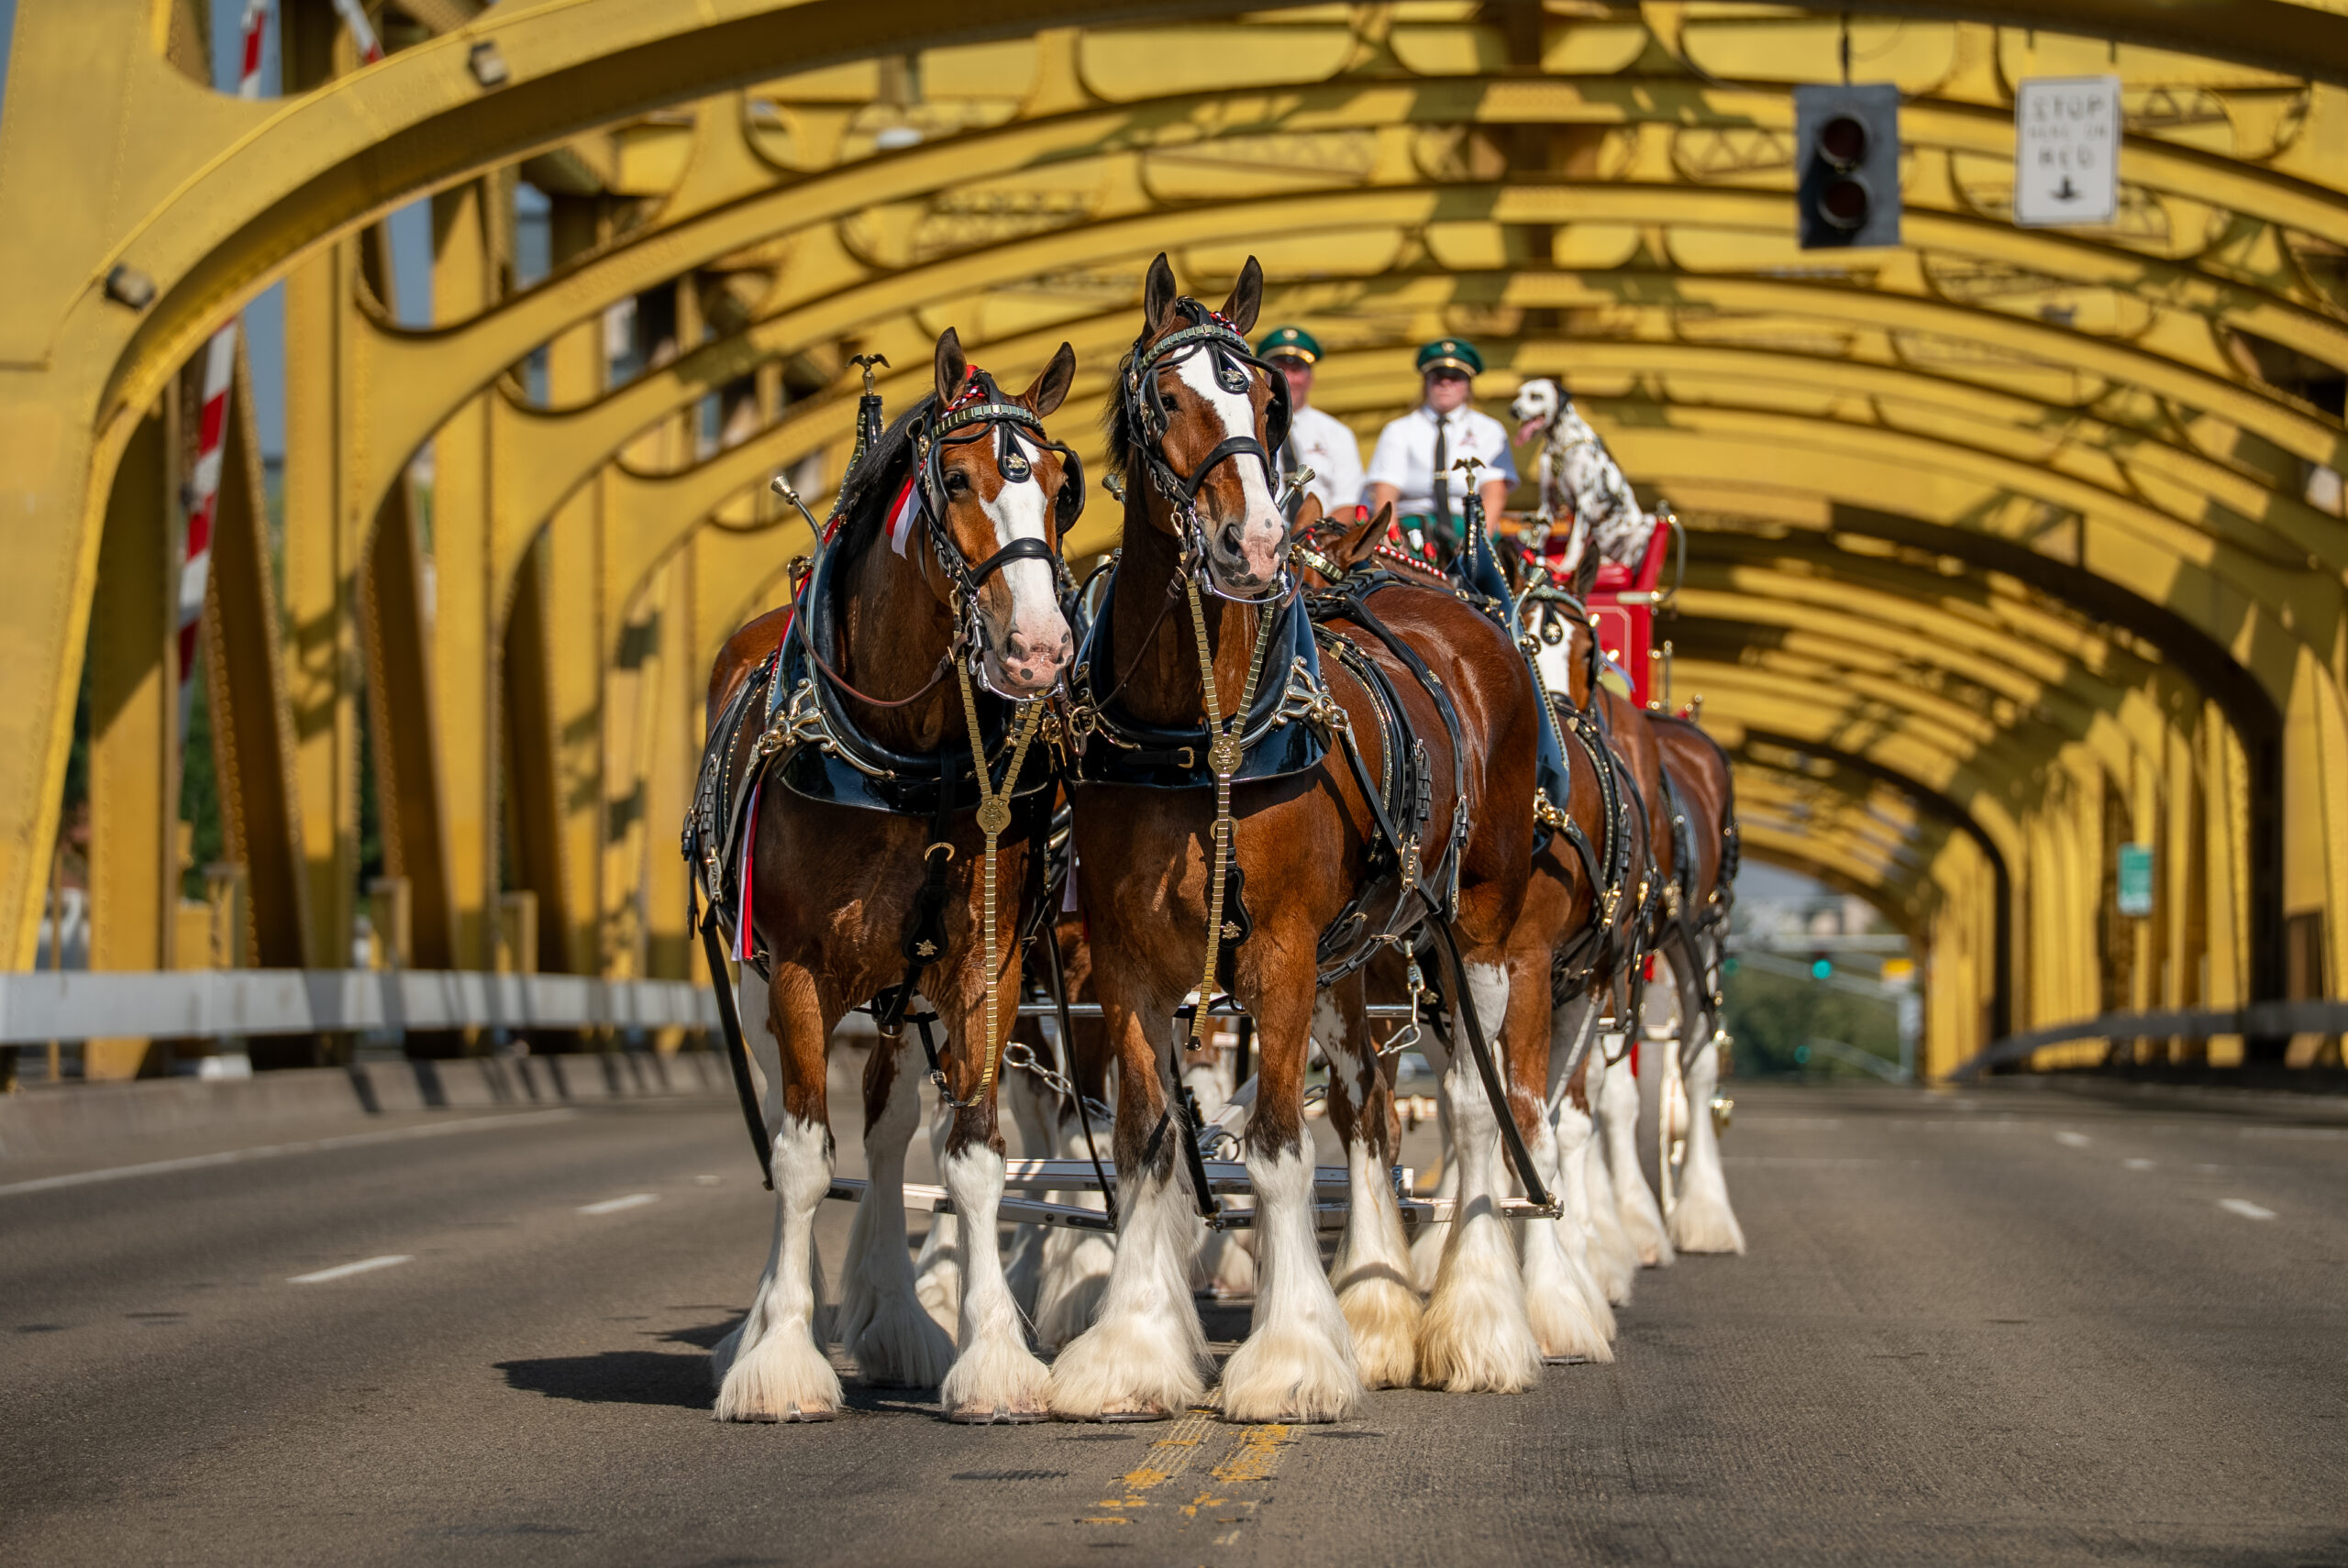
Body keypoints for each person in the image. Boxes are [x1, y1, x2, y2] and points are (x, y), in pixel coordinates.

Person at [1364, 337, 1516, 556]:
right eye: (1437, 377)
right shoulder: (1398, 429)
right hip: (1411, 529)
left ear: (1468, 383)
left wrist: (1478, 543)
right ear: (1425, 381)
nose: (1446, 383)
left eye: (1456, 377)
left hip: (1470, 528)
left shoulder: (1489, 430)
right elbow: (1385, 492)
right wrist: (1392, 542)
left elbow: (1494, 491)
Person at [1256, 326, 1362, 522]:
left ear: (1310, 378)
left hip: (1320, 538)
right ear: (1264, 374)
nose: (1288, 379)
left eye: (1296, 370)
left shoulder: (1337, 433)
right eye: (1279, 369)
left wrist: (1311, 537)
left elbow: (1348, 505)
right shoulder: (1247, 427)